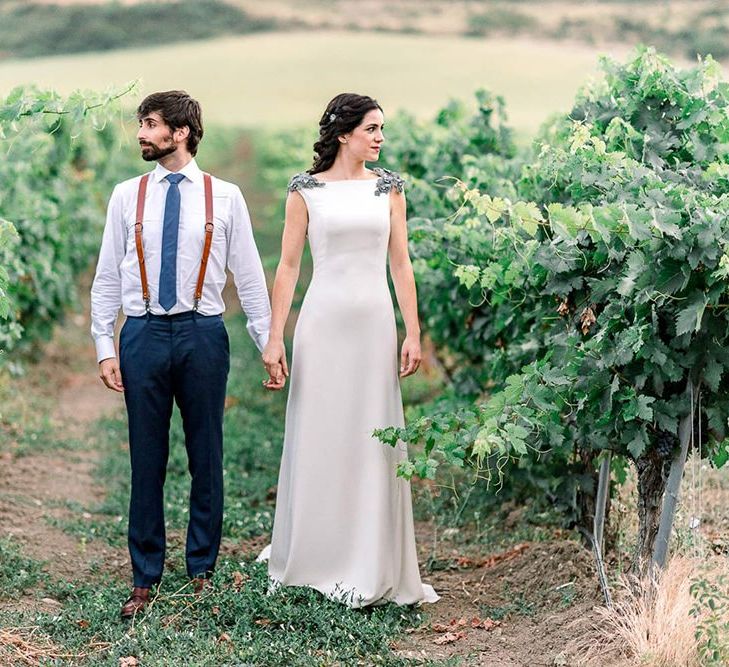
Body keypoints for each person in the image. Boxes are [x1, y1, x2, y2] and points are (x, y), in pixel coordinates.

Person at [90, 90, 272, 619]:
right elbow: (106, 275)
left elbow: (250, 278)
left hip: (202, 333)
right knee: (146, 458)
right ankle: (144, 576)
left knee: (206, 454)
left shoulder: (226, 196)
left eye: (150, 124)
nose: (141, 134)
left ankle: (202, 570)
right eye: (141, 124)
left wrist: (267, 344)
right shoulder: (127, 195)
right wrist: (106, 345)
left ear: (181, 132)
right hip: (143, 334)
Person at [258, 93, 438, 607]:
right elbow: (289, 267)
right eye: (372, 129)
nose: (380, 138)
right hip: (322, 324)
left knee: (371, 435)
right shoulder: (305, 191)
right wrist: (275, 336)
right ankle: (315, 553)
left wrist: (413, 331)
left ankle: (370, 557)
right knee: (322, 432)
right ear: (344, 134)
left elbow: (401, 264)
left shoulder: (389, 189)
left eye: (383, 129)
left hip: (374, 326)